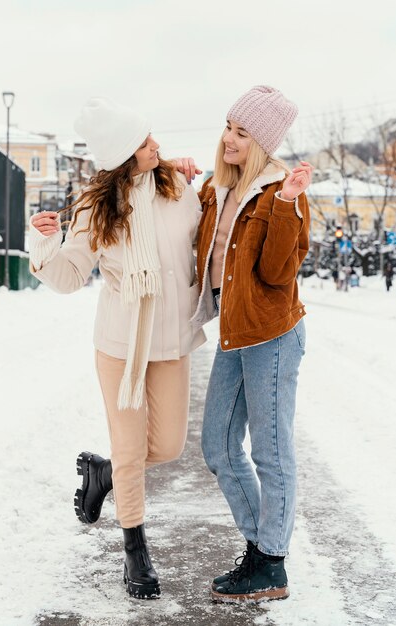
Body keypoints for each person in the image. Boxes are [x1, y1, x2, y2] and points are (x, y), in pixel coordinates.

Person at [28, 97, 206, 600]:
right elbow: (67, 277)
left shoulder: (178, 190)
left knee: (167, 446)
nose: (157, 145)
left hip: (170, 340)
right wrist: (45, 244)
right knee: (132, 449)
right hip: (120, 346)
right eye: (147, 141)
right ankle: (135, 549)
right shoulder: (93, 208)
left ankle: (104, 473)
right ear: (126, 153)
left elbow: (205, 239)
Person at [189, 85, 312, 603]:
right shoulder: (217, 189)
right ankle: (263, 549)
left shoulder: (281, 191)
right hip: (234, 333)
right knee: (217, 445)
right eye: (229, 126)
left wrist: (285, 205)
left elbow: (277, 271)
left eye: (242, 132)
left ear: (262, 142)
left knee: (271, 452)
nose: (229, 139)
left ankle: (271, 563)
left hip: (273, 335)